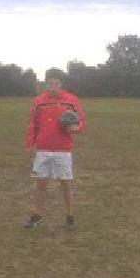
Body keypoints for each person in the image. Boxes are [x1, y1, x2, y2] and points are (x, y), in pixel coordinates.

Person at [25, 68, 85, 230]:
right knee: (40, 185)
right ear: (46, 84)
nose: (52, 87)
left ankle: (70, 216)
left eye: (56, 84)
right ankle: (37, 216)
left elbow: (80, 123)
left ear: (61, 84)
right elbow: (33, 125)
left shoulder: (71, 101)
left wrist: (76, 129)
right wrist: (30, 145)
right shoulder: (38, 101)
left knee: (65, 184)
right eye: (50, 84)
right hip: (43, 150)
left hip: (63, 150)